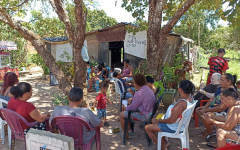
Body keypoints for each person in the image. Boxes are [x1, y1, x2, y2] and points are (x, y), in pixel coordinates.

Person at [145, 80, 195, 150]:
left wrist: (159, 121)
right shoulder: (190, 98)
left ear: (180, 89)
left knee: (147, 128)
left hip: (173, 127)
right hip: (180, 124)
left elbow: (172, 120)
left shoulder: (182, 103)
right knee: (155, 120)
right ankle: (165, 142)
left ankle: (162, 147)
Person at [196, 73, 235, 138]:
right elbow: (212, 98)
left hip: (224, 113)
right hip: (214, 109)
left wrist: (206, 110)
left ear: (229, 82)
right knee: (198, 110)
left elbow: (221, 108)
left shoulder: (230, 92)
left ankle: (210, 132)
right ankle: (210, 129)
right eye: (220, 80)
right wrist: (205, 107)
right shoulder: (220, 88)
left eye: (222, 80)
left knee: (206, 116)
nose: (219, 82)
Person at [119, 74, 155, 139]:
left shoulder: (140, 92)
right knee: (127, 112)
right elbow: (139, 100)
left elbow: (133, 107)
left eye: (134, 82)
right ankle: (129, 130)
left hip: (144, 115)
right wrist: (133, 94)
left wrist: (125, 108)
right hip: (149, 112)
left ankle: (125, 133)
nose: (133, 84)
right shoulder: (147, 89)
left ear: (137, 83)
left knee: (122, 114)